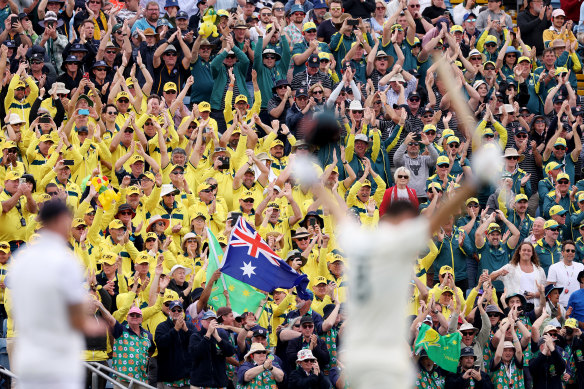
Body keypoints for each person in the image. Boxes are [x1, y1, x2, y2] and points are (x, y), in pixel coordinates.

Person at [9, 200, 93, 389]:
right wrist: (94, 325)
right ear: (61, 220)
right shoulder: (64, 260)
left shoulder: (21, 259)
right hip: (58, 359)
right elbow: (77, 318)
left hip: (29, 355)